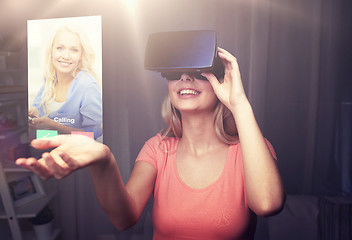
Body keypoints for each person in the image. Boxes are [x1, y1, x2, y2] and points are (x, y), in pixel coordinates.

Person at [17, 47, 285, 239]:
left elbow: (268, 204)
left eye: (198, 70)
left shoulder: (251, 149)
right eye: (175, 73)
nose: (185, 78)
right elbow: (124, 219)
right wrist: (104, 161)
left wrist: (238, 103)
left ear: (219, 82)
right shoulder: (158, 149)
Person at [28, 24, 102, 140]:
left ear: (81, 55)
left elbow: (92, 135)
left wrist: (54, 126)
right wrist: (32, 113)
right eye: (60, 48)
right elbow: (38, 109)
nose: (66, 56)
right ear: (51, 51)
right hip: (47, 152)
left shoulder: (88, 86)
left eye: (74, 50)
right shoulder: (49, 79)